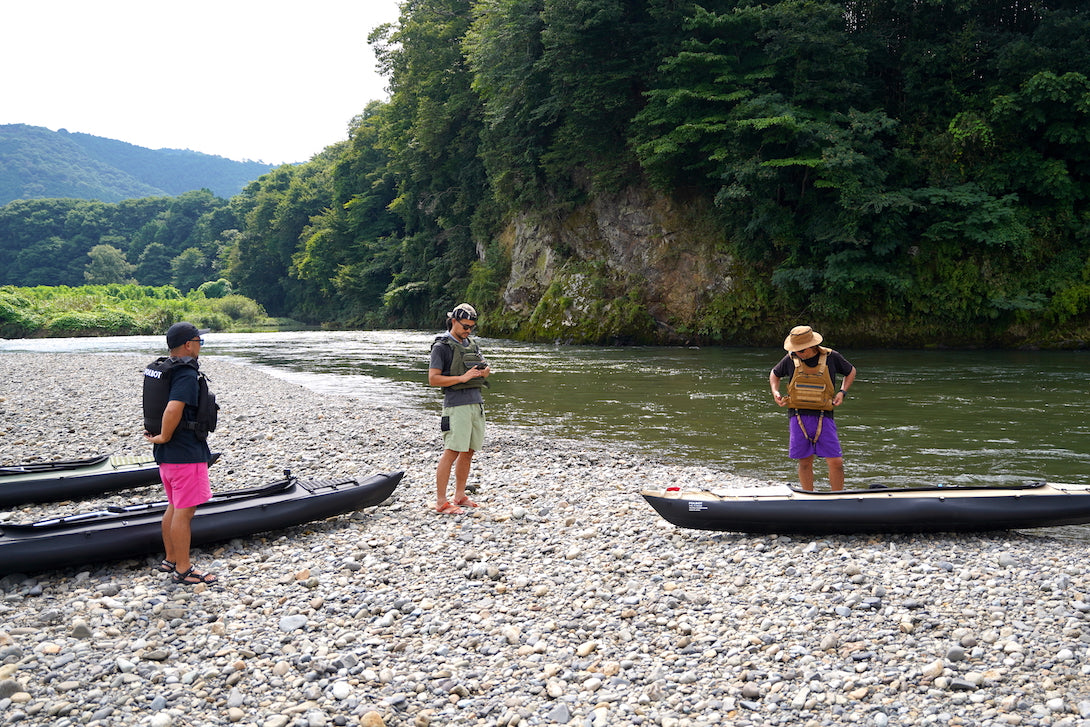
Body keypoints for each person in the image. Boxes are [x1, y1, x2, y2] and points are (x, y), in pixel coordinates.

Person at [143, 321, 218, 584]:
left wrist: (160, 439)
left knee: (174, 507)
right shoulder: (185, 373)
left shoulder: (164, 368)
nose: (201, 346)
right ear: (188, 344)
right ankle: (184, 569)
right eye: (199, 341)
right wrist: (164, 435)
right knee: (184, 512)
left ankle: (171, 559)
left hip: (167, 455)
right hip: (185, 452)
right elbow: (174, 408)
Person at [769, 325, 857, 491]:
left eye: (801, 350)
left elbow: (851, 371)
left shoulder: (831, 357)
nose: (798, 354)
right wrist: (775, 392)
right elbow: (774, 373)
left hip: (824, 415)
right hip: (797, 415)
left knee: (836, 461)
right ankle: (808, 496)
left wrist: (842, 392)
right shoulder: (790, 358)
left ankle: (837, 496)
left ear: (812, 346)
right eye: (795, 350)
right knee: (805, 461)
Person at [428, 303, 491, 514]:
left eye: (471, 327)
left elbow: (485, 369)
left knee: (469, 452)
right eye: (465, 326)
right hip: (456, 406)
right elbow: (433, 379)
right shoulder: (441, 346)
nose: (468, 330)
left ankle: (460, 495)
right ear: (453, 321)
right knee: (452, 451)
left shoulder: (471, 343)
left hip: (476, 403)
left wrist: (485, 371)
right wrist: (462, 378)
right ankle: (441, 502)